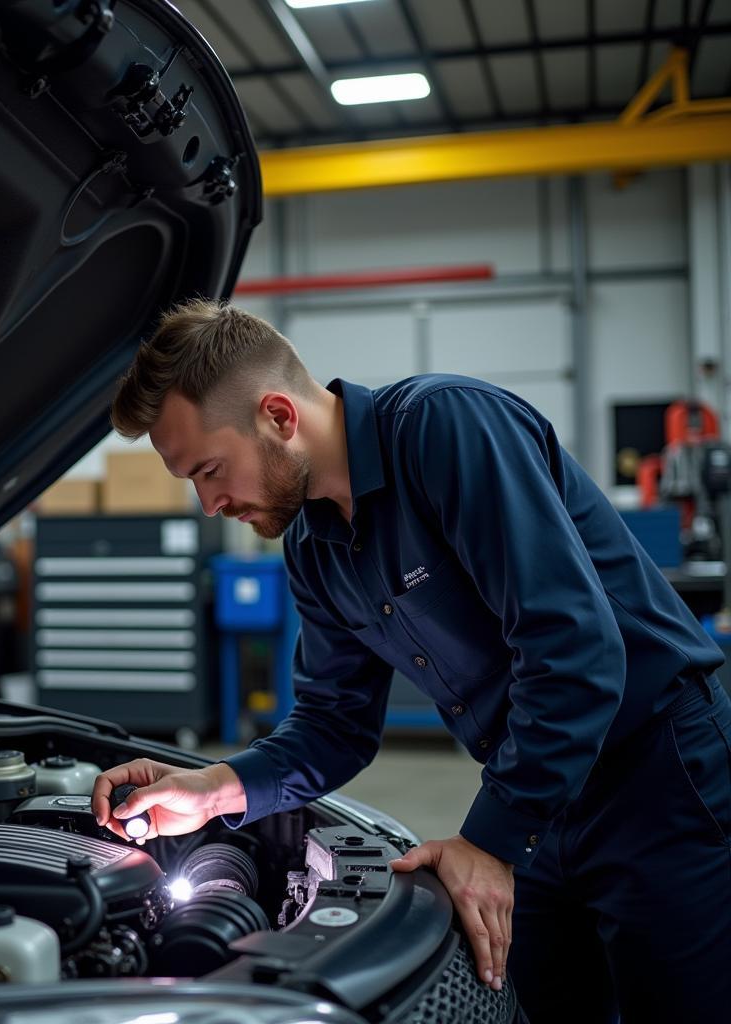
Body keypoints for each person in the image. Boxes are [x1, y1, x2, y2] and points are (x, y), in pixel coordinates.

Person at [90, 299, 731, 1022]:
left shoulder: (444, 429)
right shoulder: (313, 548)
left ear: (277, 415)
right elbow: (336, 724)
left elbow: (575, 650)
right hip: (538, 800)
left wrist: (487, 842)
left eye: (210, 469)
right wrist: (213, 788)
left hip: (657, 777)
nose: (208, 503)